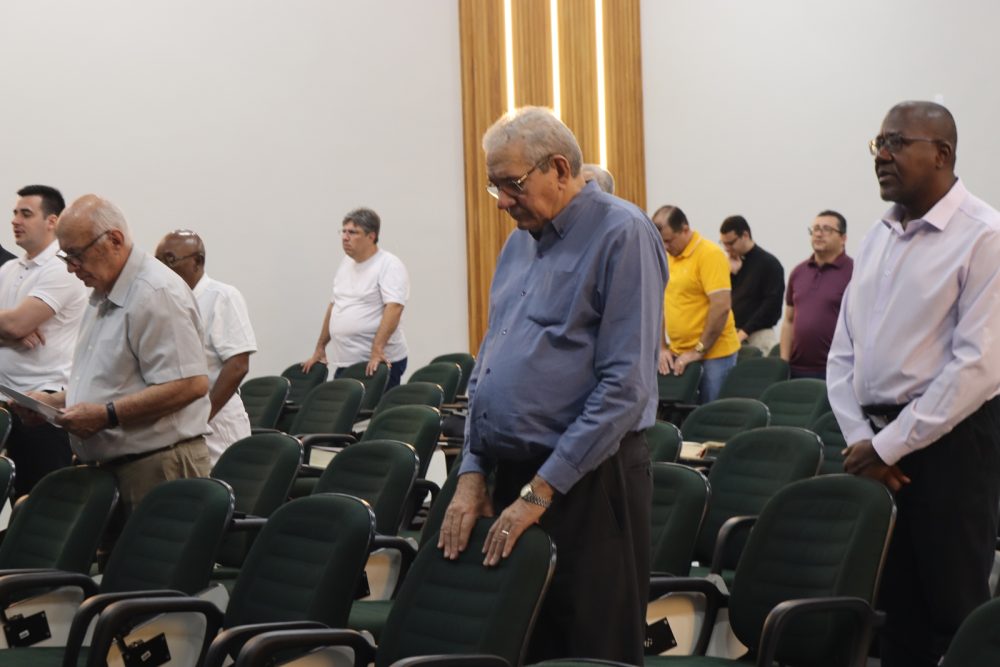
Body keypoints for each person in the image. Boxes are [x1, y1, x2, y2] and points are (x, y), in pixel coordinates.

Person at [438, 107, 667, 664]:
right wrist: (472, 471)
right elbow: (490, 361)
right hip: (515, 476)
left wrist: (542, 490)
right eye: (494, 186)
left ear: (559, 169)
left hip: (588, 481)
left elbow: (626, 386)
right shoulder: (520, 241)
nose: (501, 201)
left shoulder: (622, 233)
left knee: (589, 649)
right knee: (522, 644)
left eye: (511, 184)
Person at [828, 101, 1000, 667]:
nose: (881, 155)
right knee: (893, 614)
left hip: (952, 446)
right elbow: (843, 353)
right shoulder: (879, 235)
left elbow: (977, 367)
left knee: (954, 615)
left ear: (942, 154)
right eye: (878, 143)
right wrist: (864, 441)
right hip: (876, 450)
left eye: (897, 143)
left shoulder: (984, 235)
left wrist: (888, 446)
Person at [23, 195, 212, 515]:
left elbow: (190, 384)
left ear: (114, 240)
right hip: (116, 470)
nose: (70, 267)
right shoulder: (104, 293)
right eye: (65, 256)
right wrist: (53, 403)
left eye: (76, 254)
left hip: (157, 468)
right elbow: (114, 381)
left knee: (151, 552)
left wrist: (107, 415)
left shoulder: (155, 292)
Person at [0, 185, 85, 496]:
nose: (15, 220)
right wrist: (10, 331)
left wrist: (15, 326)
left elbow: (17, 323)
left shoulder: (62, 268)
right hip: (4, 400)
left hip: (42, 407)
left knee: (37, 500)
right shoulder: (9, 269)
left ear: (52, 221)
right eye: (15, 213)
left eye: (26, 214)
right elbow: (14, 326)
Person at [155, 230, 257, 465]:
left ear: (197, 261)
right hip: (181, 423)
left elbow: (238, 365)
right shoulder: (165, 302)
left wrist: (202, 417)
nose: (162, 268)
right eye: (157, 261)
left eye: (170, 260)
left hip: (216, 419)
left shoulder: (221, 296)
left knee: (222, 481)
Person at [302, 207, 409, 389]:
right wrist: (320, 347)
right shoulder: (346, 264)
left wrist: (377, 350)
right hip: (346, 361)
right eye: (343, 231)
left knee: (373, 407)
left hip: (376, 362)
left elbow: (394, 308)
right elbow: (335, 305)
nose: (345, 237)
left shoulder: (388, 265)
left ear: (371, 236)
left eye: (352, 232)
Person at [654, 205, 740, 403]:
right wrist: (661, 347)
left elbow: (721, 307)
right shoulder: (667, 257)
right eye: (661, 241)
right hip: (679, 352)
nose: (665, 246)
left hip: (714, 354)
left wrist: (698, 350)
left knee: (711, 414)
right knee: (679, 413)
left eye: (669, 240)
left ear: (685, 230)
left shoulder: (710, 254)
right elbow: (659, 304)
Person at [779, 210, 853, 379]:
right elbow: (789, 320)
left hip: (837, 371)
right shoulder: (798, 272)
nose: (819, 234)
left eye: (827, 229)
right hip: (796, 370)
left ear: (843, 238)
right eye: (815, 229)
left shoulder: (854, 273)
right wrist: (783, 363)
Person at [718, 215, 784, 354]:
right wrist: (729, 274)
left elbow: (771, 307)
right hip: (731, 333)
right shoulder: (728, 264)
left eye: (731, 243)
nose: (727, 248)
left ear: (745, 235)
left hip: (758, 334)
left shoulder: (769, 264)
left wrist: (744, 333)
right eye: (723, 243)